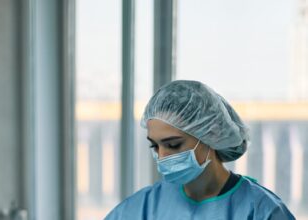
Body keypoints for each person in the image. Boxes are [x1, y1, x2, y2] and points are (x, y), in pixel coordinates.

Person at [105, 80, 295, 220]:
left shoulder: (261, 211)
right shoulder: (142, 208)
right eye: (155, 146)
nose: (161, 156)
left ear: (211, 134)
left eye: (173, 145)